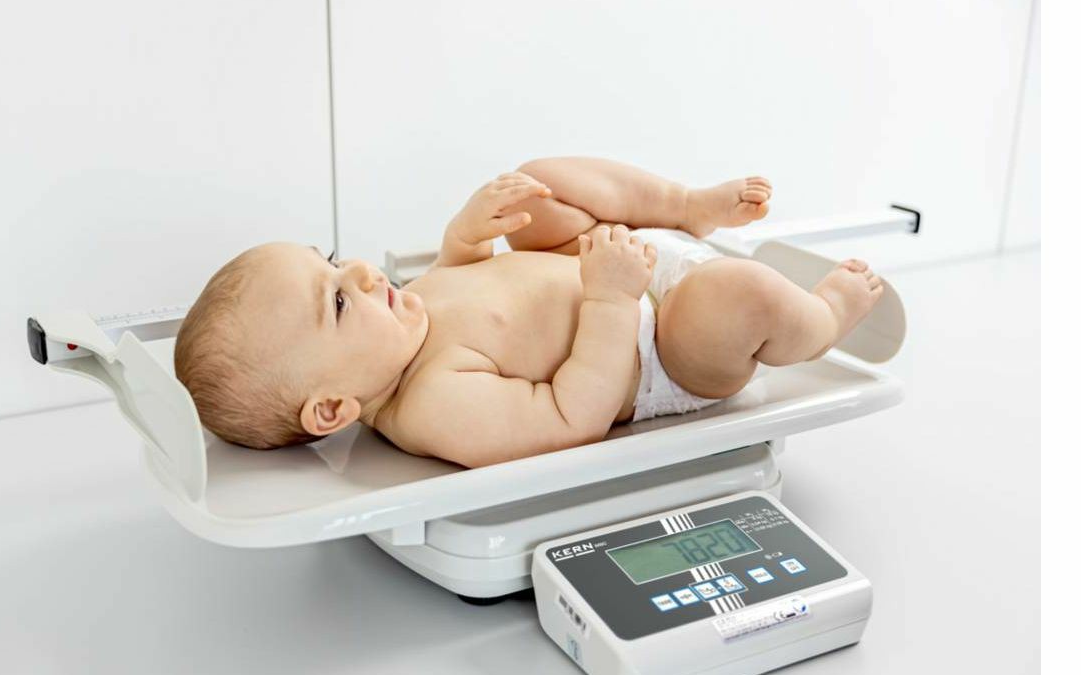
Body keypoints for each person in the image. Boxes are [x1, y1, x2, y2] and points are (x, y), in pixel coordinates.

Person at [173, 157, 883, 468]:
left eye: (330, 260)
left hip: (613, 263)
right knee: (735, 295)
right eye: (335, 300)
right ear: (332, 409)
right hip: (659, 345)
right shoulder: (433, 405)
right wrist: (609, 301)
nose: (358, 272)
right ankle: (823, 316)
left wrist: (465, 237)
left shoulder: (401, 327)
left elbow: (469, 286)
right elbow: (572, 416)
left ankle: (682, 206)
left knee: (537, 186)